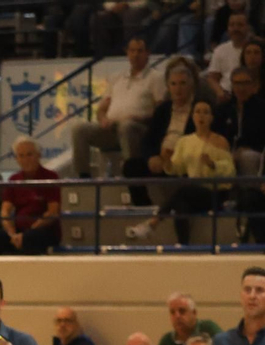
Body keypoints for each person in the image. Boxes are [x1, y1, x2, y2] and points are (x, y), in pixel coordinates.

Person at [126, 98, 233, 243]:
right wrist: (167, 161)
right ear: (193, 116)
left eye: (205, 112)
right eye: (197, 112)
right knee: (180, 206)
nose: (201, 116)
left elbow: (229, 170)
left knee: (183, 191)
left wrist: (213, 164)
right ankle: (183, 246)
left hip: (214, 191)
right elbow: (176, 168)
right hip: (193, 192)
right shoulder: (185, 142)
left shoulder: (220, 141)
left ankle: (153, 222)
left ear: (211, 117)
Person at [68, 36, 161, 178]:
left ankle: (131, 174)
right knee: (79, 129)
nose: (136, 55)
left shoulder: (156, 78)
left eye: (140, 51)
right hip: (111, 128)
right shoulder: (117, 77)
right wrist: (103, 119)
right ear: (127, 53)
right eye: (132, 51)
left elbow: (161, 111)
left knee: (127, 126)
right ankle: (83, 176)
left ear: (147, 53)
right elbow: (101, 109)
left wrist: (137, 117)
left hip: (139, 128)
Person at [123, 58, 199, 208]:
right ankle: (144, 207)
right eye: (174, 84)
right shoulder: (163, 109)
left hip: (185, 160)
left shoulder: (200, 107)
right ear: (168, 87)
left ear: (191, 86)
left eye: (183, 83)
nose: (178, 88)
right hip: (162, 158)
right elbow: (148, 139)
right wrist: (152, 157)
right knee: (131, 166)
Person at [0, 136, 62, 255]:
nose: (26, 159)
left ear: (38, 155)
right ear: (16, 159)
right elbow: (5, 211)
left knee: (30, 238)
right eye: (21, 156)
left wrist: (28, 232)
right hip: (18, 232)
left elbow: (52, 212)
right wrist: (12, 233)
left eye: (29, 155)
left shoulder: (51, 177)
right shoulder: (13, 180)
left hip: (43, 231)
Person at [157, 291, 223, 345]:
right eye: (172, 312)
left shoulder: (209, 329)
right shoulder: (166, 341)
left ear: (194, 313)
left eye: (182, 311)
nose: (177, 316)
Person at [207, 11, 253, 96]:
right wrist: (219, 92)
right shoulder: (220, 50)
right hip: (226, 94)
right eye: (232, 25)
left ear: (248, 28)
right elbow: (212, 78)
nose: (236, 29)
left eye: (240, 25)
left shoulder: (256, 49)